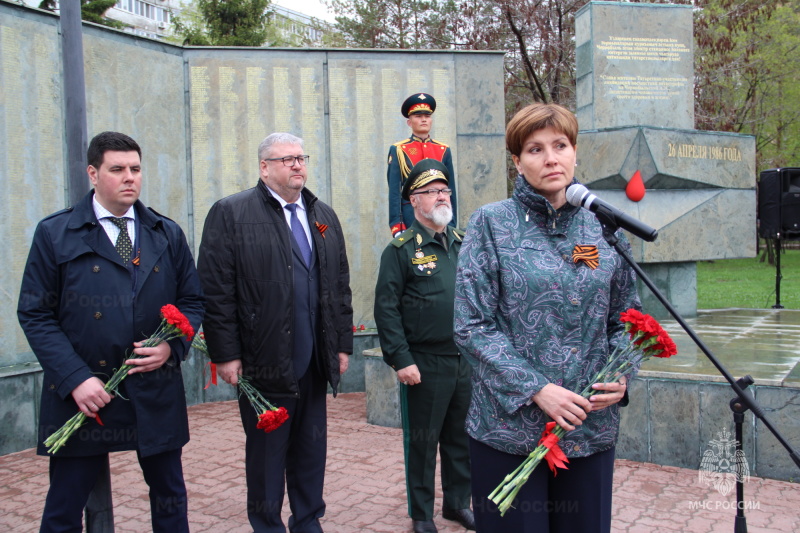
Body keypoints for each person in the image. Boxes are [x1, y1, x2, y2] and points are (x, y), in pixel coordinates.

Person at [453, 103, 642, 532]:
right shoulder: (491, 224)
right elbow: (472, 327)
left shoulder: (602, 226)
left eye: (560, 145)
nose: (551, 158)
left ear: (575, 152)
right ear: (517, 162)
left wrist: (623, 372)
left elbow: (629, 315)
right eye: (535, 149)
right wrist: (537, 389)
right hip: (508, 430)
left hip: (587, 427)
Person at [17, 131, 205, 533]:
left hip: (153, 388)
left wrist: (172, 347)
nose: (129, 178)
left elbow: (192, 300)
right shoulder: (56, 233)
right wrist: (75, 379)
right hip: (86, 395)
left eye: (135, 169)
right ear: (93, 173)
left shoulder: (165, 232)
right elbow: (35, 313)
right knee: (65, 506)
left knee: (170, 498)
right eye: (117, 169)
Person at [197, 132, 354, 533]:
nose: (297, 165)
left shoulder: (323, 215)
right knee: (267, 457)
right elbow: (215, 290)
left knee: (310, 450)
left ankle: (307, 521)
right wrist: (226, 354)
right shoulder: (232, 214)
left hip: (314, 359)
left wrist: (340, 345)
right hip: (263, 362)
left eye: (301, 157)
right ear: (264, 167)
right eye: (286, 159)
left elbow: (338, 285)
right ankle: (266, 524)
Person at [374, 159, 474, 533]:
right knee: (422, 442)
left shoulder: (464, 243)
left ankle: (457, 504)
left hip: (464, 360)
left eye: (445, 191)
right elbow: (386, 309)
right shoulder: (401, 250)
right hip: (424, 363)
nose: (441, 198)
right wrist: (401, 359)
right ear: (414, 201)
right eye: (432, 192)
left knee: (460, 439)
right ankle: (421, 514)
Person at [387, 92, 457, 237]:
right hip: (411, 216)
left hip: (439, 215)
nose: (424, 120)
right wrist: (396, 225)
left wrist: (451, 223)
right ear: (409, 122)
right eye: (418, 117)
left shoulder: (443, 150)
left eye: (427, 116)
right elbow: (395, 191)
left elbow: (451, 190)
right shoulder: (399, 149)